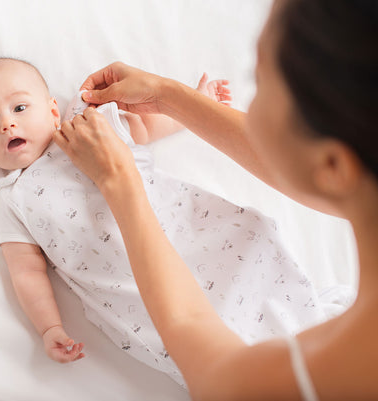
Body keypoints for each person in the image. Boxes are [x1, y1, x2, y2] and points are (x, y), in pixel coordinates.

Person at [53, 0, 377, 399]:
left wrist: (119, 178)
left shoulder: (328, 377)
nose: (249, 103)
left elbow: (211, 366)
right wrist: (169, 96)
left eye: (258, 83)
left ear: (332, 163)